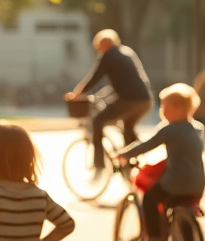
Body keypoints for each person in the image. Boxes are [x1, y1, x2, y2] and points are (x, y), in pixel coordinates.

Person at [116, 83, 205, 241]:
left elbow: (146, 145)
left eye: (163, 106)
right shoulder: (198, 128)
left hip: (175, 182)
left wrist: (123, 154)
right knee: (184, 209)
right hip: (198, 184)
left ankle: (154, 240)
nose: (161, 110)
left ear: (175, 108)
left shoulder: (170, 129)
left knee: (150, 198)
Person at [65, 29, 153, 173]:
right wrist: (103, 94)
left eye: (98, 46)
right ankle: (131, 160)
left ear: (105, 44)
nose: (98, 50)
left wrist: (76, 94)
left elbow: (94, 77)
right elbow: (124, 81)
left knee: (98, 121)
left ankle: (99, 163)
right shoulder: (126, 51)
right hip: (144, 100)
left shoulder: (109, 55)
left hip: (130, 100)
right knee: (128, 128)